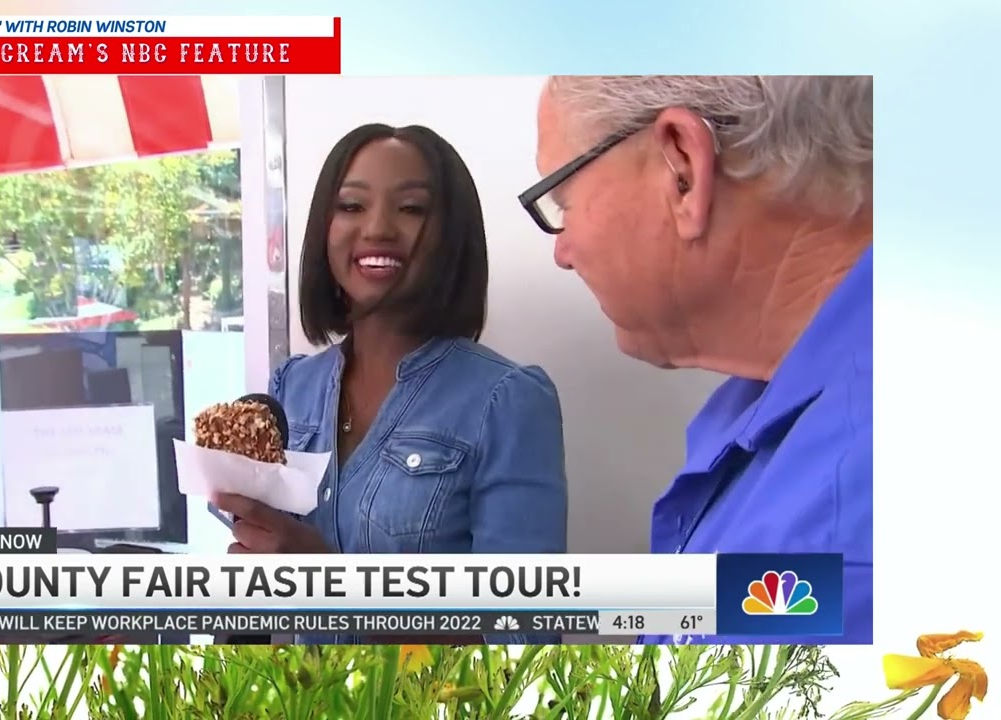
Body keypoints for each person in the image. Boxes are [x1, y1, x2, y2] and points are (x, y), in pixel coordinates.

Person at [523, 76, 872, 644]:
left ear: (683, 167)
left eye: (564, 203)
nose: (563, 251)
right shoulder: (772, 402)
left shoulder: (832, 544)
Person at [212, 123, 569, 645]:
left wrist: (330, 582)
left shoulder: (508, 401)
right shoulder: (292, 387)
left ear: (452, 238)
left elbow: (524, 642)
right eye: (352, 207)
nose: (377, 228)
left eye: (412, 209)